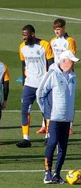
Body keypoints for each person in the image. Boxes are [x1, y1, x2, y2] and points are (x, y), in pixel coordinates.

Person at [36, 50, 79, 184]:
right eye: (71, 61)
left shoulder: (73, 77)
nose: (73, 64)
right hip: (54, 118)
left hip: (66, 119)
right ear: (64, 60)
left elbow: (72, 98)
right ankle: (47, 173)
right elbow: (40, 93)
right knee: (52, 142)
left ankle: (57, 174)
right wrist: (46, 112)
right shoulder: (52, 74)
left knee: (63, 147)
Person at [16, 24, 54, 148]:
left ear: (32, 34)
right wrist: (23, 82)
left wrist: (50, 81)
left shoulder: (44, 45)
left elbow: (51, 64)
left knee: (46, 110)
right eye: (23, 35)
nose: (24, 38)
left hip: (43, 84)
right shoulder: (22, 47)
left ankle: (49, 136)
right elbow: (23, 65)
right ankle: (26, 138)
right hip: (29, 84)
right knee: (24, 110)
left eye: (25, 35)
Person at [37, 18, 76, 135]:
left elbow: (72, 57)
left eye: (59, 29)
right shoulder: (52, 41)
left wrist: (69, 72)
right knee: (50, 97)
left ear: (64, 28)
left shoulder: (70, 41)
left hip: (66, 71)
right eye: (55, 30)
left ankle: (69, 125)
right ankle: (44, 124)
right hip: (55, 71)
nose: (57, 32)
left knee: (67, 97)